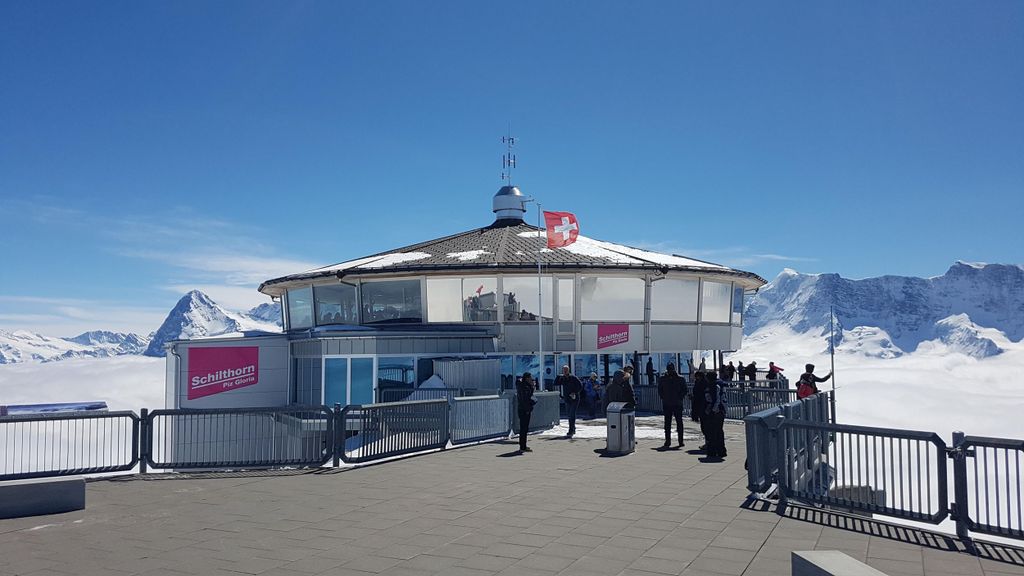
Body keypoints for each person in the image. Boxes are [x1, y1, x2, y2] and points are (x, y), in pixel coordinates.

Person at [657, 363, 687, 448]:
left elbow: (684, 390)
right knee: (672, 423)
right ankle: (672, 441)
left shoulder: (666, 379)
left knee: (673, 423)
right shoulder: (678, 378)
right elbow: (660, 390)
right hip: (672, 403)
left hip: (673, 403)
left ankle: (675, 441)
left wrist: (679, 397)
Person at [703, 373, 728, 459]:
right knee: (719, 431)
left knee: (712, 431)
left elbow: (716, 399)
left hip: (715, 411)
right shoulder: (721, 384)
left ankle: (712, 451)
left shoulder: (713, 385)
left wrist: (712, 410)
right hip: (722, 410)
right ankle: (721, 450)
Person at [556, 365, 583, 437]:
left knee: (572, 414)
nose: (565, 372)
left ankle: (571, 430)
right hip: (567, 399)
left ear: (568, 370)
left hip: (574, 398)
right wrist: (558, 376)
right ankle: (573, 428)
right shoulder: (563, 378)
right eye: (564, 370)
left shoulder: (573, 378)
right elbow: (555, 383)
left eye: (566, 370)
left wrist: (575, 392)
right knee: (569, 414)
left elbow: (580, 386)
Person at [516, 372, 536, 452]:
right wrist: (532, 386)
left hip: (521, 408)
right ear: (527, 378)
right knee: (524, 428)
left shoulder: (520, 385)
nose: (531, 379)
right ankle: (523, 446)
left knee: (523, 428)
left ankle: (523, 445)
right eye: (530, 378)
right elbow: (527, 398)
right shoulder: (525, 387)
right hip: (525, 409)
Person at [690, 371, 707, 450]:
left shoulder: (702, 384)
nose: (696, 378)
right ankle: (708, 442)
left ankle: (708, 443)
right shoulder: (700, 383)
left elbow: (699, 395)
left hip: (702, 406)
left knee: (705, 426)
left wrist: (694, 397)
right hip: (700, 405)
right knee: (704, 425)